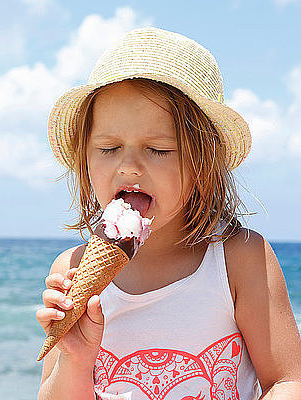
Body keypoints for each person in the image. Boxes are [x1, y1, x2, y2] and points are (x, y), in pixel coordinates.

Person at [36, 27, 301, 400]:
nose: (128, 166)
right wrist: (75, 360)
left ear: (203, 164)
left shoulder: (239, 259)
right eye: (108, 148)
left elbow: (287, 382)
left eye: (159, 150)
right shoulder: (71, 272)